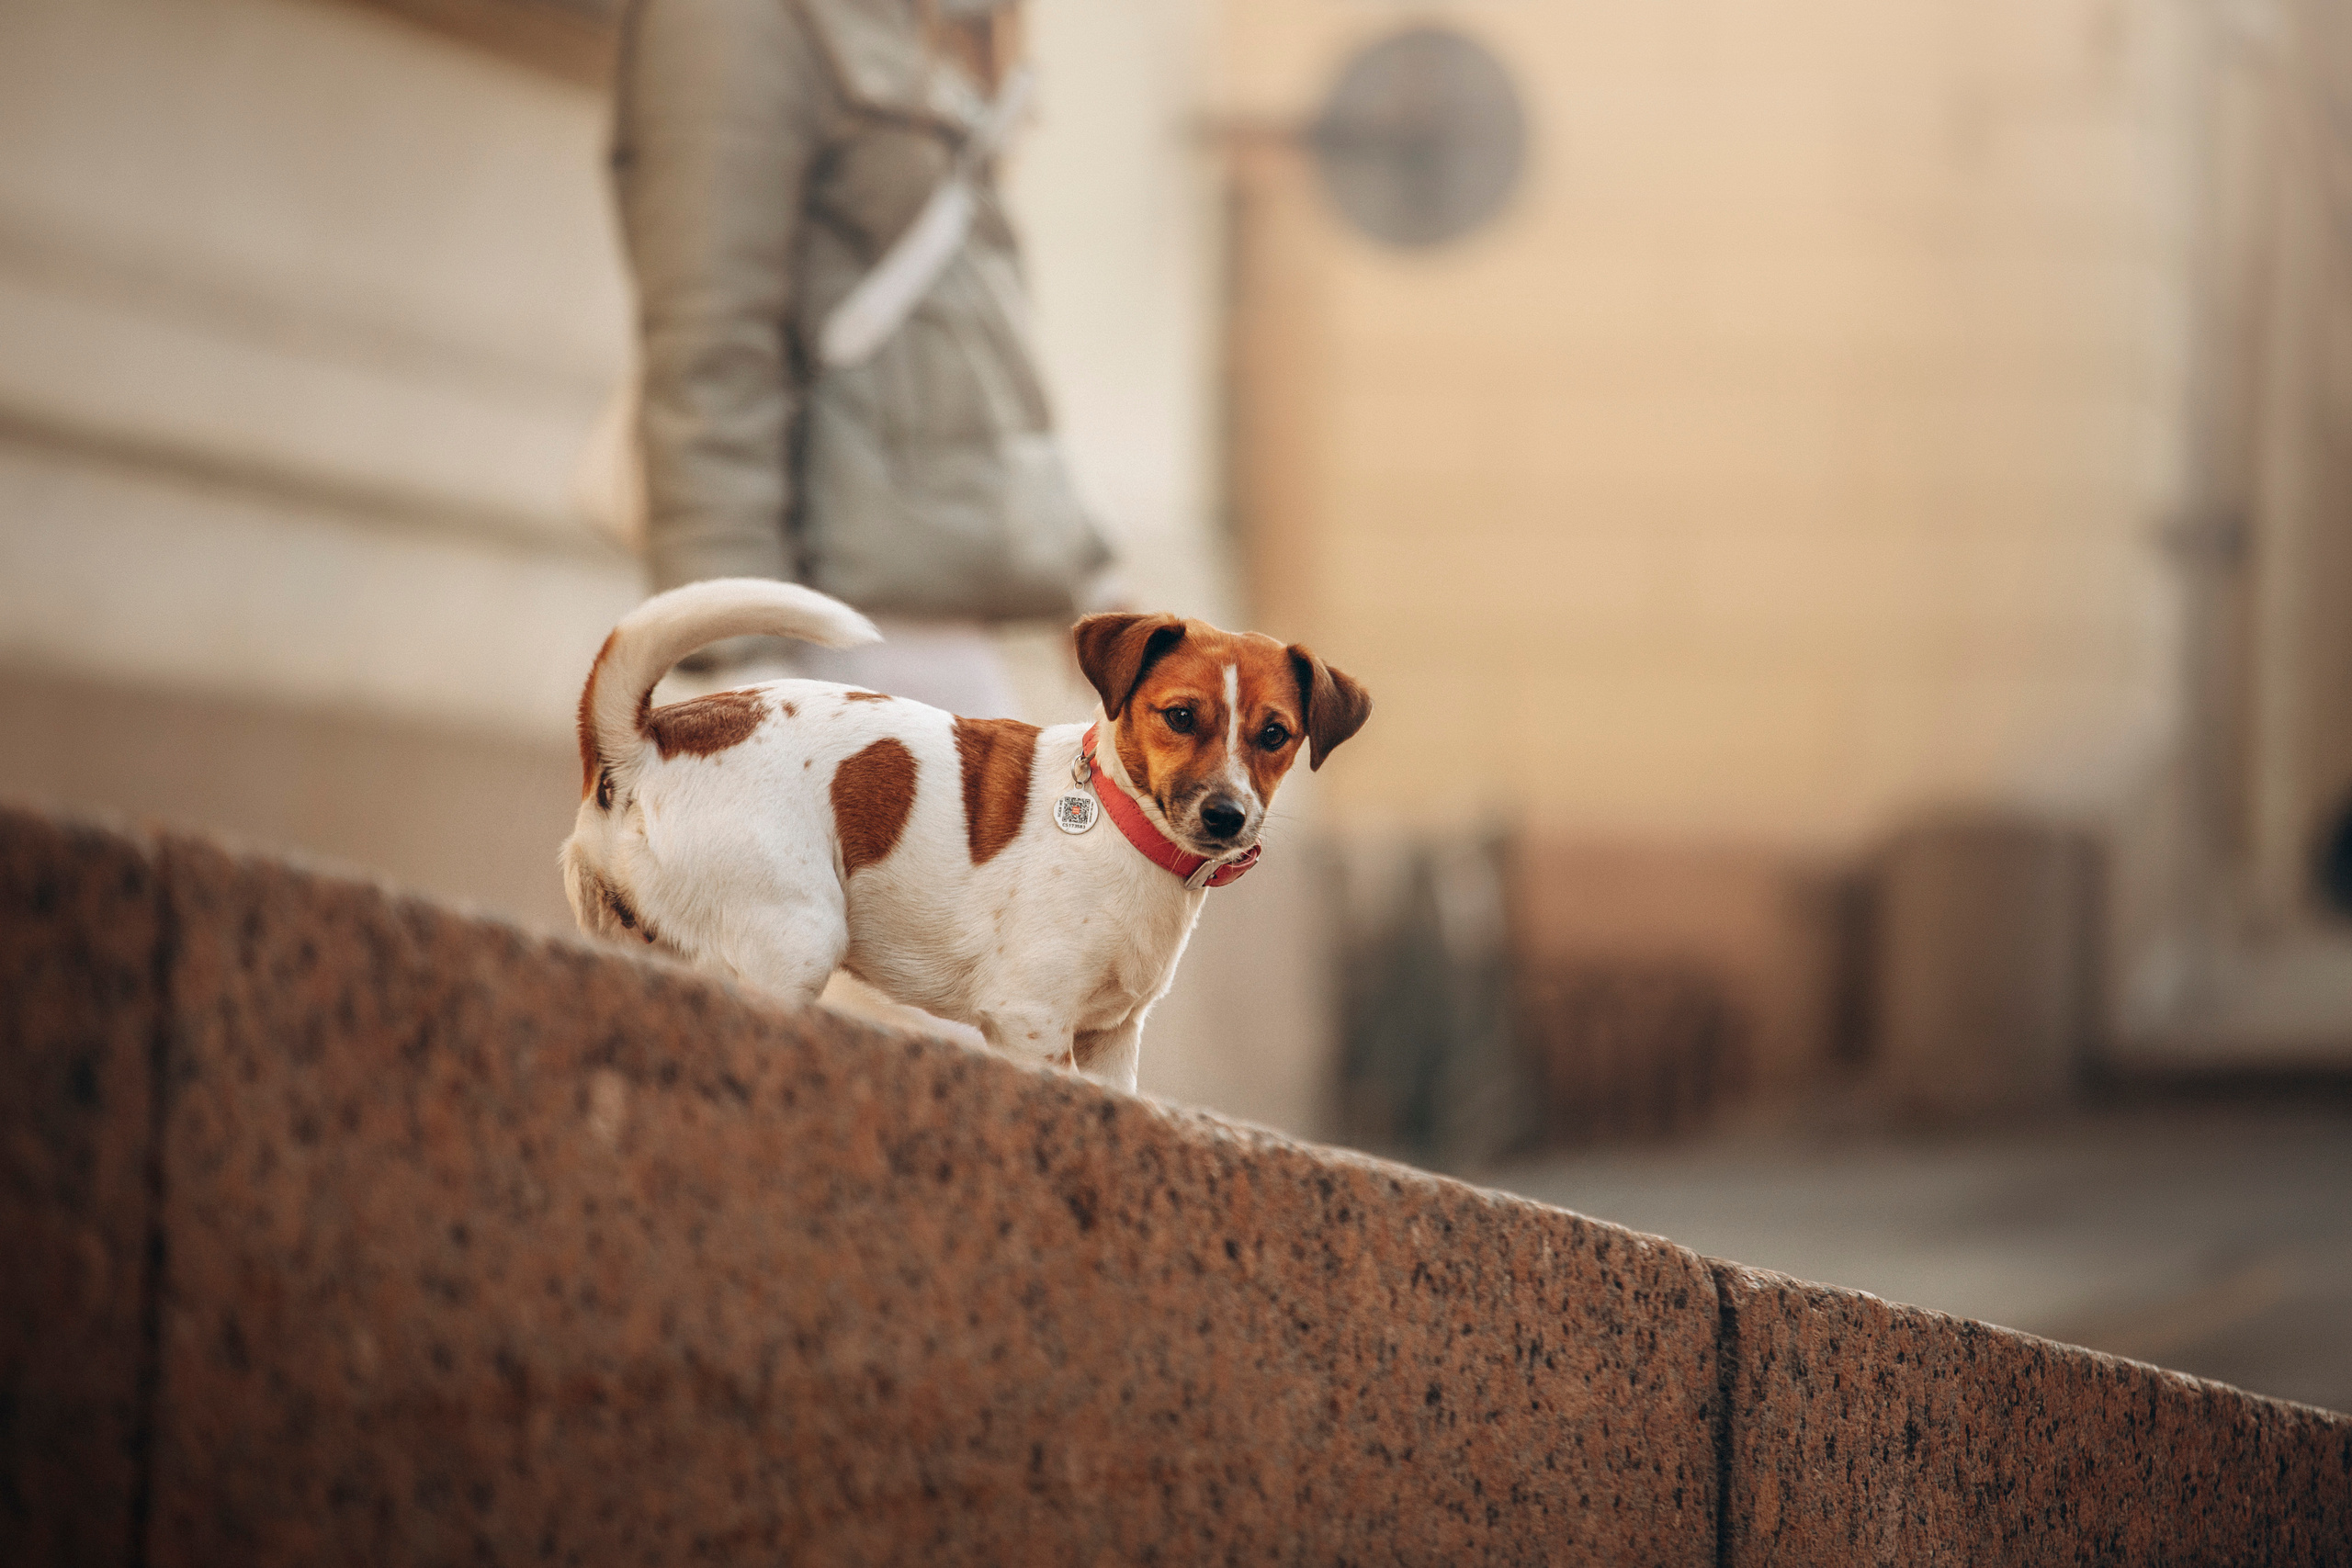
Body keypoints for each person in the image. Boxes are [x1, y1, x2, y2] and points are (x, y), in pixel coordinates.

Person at [605, 0, 1113, 716]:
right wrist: (736, 659)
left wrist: (1089, 574)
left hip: (930, 611)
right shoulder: (729, 20)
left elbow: (971, 330)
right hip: (829, 631)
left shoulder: (902, 19)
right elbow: (710, 350)